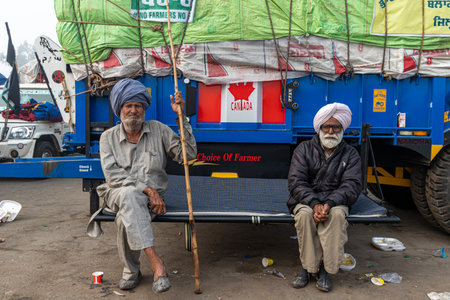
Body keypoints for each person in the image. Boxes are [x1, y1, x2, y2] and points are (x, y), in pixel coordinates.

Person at [88, 78, 197, 293]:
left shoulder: (159, 130)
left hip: (148, 202)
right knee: (128, 194)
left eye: (138, 106)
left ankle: (132, 271)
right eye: (128, 106)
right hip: (116, 193)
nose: (133, 111)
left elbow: (188, 155)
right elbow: (113, 176)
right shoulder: (107, 138)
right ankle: (157, 264)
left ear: (144, 109)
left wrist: (181, 116)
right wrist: (148, 190)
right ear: (120, 109)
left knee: (125, 216)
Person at [287, 103, 362, 292]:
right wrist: (314, 203)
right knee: (304, 216)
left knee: (336, 216)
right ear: (319, 128)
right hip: (306, 200)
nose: (330, 131)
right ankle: (307, 268)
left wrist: (328, 203)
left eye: (336, 127)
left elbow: (352, 185)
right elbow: (296, 182)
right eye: (326, 126)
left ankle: (325, 271)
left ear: (342, 129)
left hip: (336, 201)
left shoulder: (351, 154)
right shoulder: (303, 149)